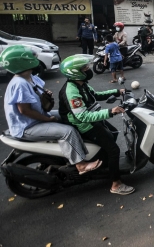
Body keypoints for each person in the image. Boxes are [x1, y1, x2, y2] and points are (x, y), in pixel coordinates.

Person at [1, 46, 101, 175]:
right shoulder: (19, 83)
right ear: (23, 62)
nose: (35, 58)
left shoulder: (28, 77)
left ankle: (79, 148)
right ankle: (80, 164)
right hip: (27, 126)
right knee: (67, 132)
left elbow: (36, 92)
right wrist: (47, 119)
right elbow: (25, 111)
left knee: (69, 115)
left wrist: (45, 93)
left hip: (36, 118)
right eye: (32, 57)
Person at [58, 55, 135, 195]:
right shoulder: (72, 91)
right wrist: (111, 111)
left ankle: (105, 165)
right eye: (85, 68)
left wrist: (117, 91)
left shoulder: (81, 84)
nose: (88, 69)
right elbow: (83, 116)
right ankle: (116, 185)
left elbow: (96, 95)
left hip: (92, 120)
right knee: (114, 150)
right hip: (84, 125)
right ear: (75, 72)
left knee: (113, 133)